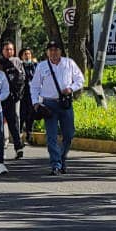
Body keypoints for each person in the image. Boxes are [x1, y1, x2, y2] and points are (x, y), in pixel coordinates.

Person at [30, 39, 85, 176]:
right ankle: (56, 164)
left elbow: (80, 79)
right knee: (51, 137)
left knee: (69, 134)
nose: (54, 52)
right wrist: (36, 102)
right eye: (51, 50)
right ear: (47, 52)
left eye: (56, 49)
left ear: (61, 51)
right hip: (49, 104)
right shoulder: (42, 66)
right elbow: (35, 86)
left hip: (65, 103)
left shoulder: (69, 63)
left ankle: (62, 158)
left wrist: (70, 88)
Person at [0, 41, 26, 160]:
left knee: (14, 123)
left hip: (12, 98)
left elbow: (22, 79)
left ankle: (18, 147)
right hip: (0, 98)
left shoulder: (18, 62)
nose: (9, 51)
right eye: (6, 49)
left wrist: (17, 95)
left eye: (11, 49)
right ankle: (0, 149)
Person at [19, 47, 39, 144]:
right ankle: (19, 134)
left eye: (29, 54)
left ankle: (29, 133)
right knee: (22, 114)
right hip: (22, 93)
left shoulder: (35, 65)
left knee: (31, 114)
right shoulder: (19, 65)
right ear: (21, 56)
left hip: (32, 93)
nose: (27, 56)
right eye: (25, 54)